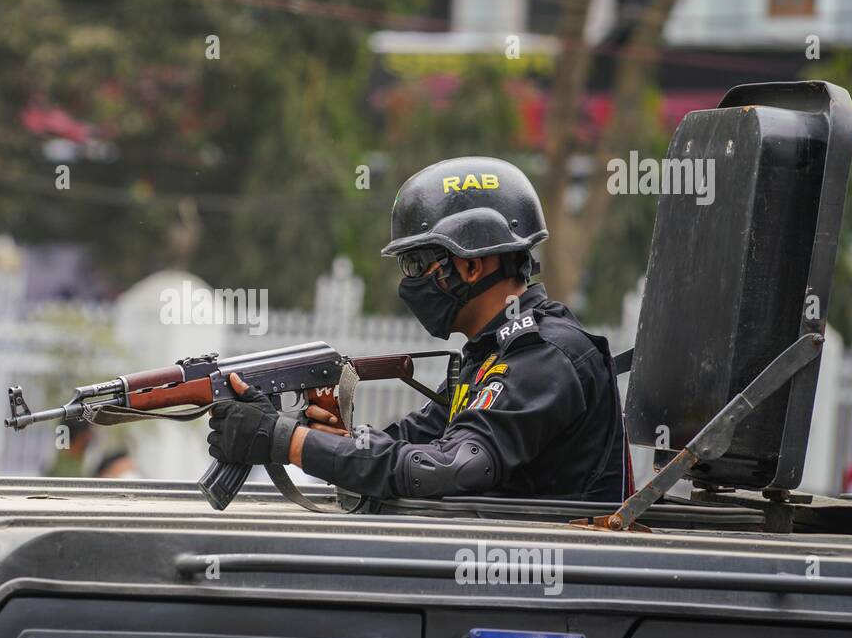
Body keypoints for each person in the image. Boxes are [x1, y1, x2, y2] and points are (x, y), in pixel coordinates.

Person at [207, 156, 630, 504]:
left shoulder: (545, 357)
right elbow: (412, 446)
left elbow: (447, 469)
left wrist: (288, 441)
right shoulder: (490, 355)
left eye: (414, 264)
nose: (407, 283)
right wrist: (326, 440)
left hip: (540, 589)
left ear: (470, 264)